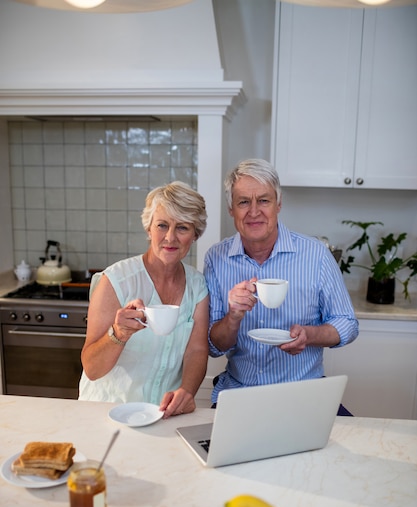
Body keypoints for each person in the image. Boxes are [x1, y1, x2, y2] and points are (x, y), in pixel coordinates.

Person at [203, 158, 359, 413]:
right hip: (240, 393)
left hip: (305, 392)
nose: (254, 211)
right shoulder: (216, 259)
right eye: (244, 202)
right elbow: (213, 346)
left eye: (263, 200)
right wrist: (233, 317)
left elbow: (348, 323)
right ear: (231, 209)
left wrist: (310, 335)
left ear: (279, 204)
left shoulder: (316, 254)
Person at [79, 181, 209, 417]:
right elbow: (91, 368)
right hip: (108, 413)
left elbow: (197, 350)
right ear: (149, 229)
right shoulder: (116, 281)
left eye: (182, 228)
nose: (170, 237)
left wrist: (187, 392)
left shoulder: (197, 285)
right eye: (162, 225)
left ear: (195, 234)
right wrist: (118, 334)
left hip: (162, 415)